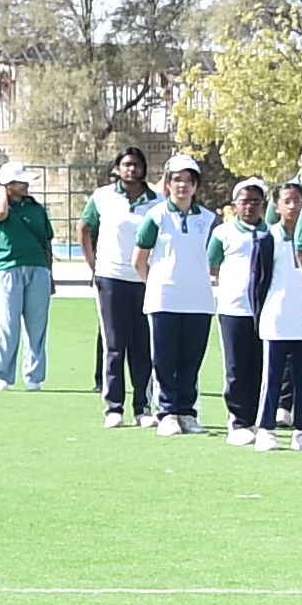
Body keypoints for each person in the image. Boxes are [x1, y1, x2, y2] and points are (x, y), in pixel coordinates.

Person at [134, 158, 220, 436]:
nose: (182, 185)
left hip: (199, 300)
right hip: (164, 299)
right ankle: (167, 412)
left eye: (188, 180)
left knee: (191, 360)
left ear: (196, 185)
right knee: (164, 359)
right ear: (168, 183)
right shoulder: (156, 216)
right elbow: (139, 259)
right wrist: (155, 283)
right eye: (176, 179)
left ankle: (187, 412)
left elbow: (215, 259)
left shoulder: (208, 219)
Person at [83, 144, 155, 428]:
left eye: (137, 164)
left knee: (143, 347)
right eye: (126, 164)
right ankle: (114, 408)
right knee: (114, 345)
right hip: (111, 279)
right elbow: (85, 228)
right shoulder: (102, 196)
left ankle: (142, 408)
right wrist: (94, 265)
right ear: (117, 168)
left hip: (145, 281)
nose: (132, 169)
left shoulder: (158, 201)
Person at [213, 176, 277, 441]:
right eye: (244, 201)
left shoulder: (272, 234)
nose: (250, 206)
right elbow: (212, 265)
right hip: (233, 309)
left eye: (256, 202)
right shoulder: (223, 233)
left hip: (264, 310)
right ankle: (238, 421)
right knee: (236, 366)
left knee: (260, 367)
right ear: (235, 205)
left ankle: (257, 419)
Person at [0, 164, 53, 393]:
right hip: (8, 269)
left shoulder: (36, 209)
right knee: (6, 325)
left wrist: (50, 274)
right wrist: (1, 193)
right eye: (21, 182)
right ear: (9, 185)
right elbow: (0, 214)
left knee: (36, 327)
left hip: (38, 269)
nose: (26, 185)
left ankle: (34, 376)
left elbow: (47, 242)